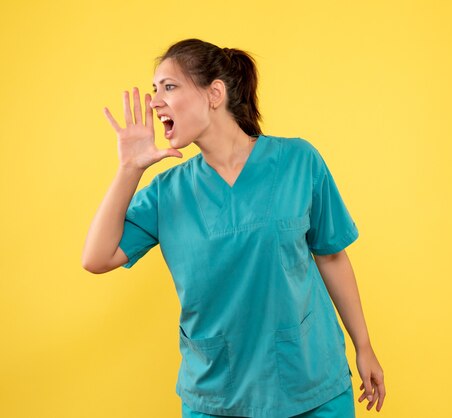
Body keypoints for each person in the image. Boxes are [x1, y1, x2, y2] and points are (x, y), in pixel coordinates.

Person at [82, 38, 385, 417]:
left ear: (215, 93)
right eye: (154, 90)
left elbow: (332, 257)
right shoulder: (166, 193)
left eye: (169, 87)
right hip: (218, 395)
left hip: (311, 383)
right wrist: (130, 168)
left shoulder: (298, 161)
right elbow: (96, 258)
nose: (155, 101)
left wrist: (364, 344)